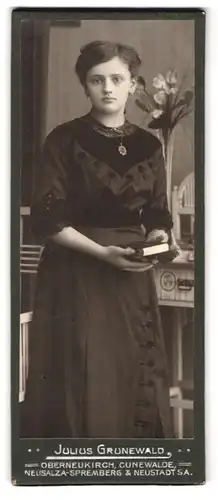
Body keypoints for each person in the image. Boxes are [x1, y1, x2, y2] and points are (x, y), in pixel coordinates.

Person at [20, 40, 175, 439]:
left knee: (128, 373)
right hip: (76, 274)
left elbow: (157, 212)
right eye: (97, 80)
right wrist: (102, 253)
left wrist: (159, 238)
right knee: (81, 376)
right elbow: (46, 219)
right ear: (85, 86)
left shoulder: (149, 144)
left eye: (117, 79)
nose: (107, 88)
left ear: (133, 85)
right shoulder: (63, 140)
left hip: (129, 280)